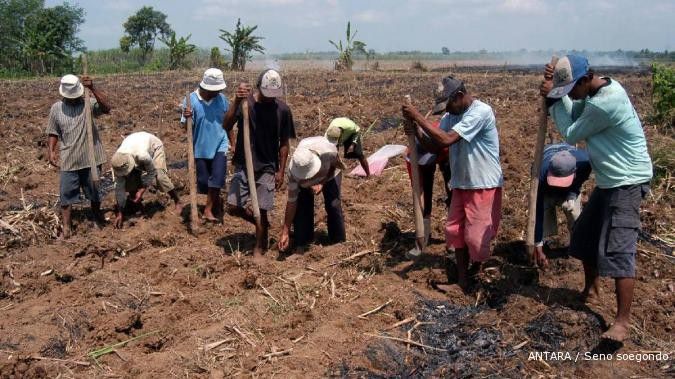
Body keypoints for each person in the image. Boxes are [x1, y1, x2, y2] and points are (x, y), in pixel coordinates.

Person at [540, 55, 653, 342]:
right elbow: (574, 112)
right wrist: (557, 91)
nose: (571, 96)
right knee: (585, 237)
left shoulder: (606, 102)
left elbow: (570, 131)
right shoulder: (594, 93)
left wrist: (553, 100)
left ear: (586, 77)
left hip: (627, 181)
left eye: (571, 89)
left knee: (618, 250)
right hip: (609, 181)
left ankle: (622, 323)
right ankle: (591, 289)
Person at [402, 76, 503, 291]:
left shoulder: (480, 112)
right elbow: (434, 146)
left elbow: (446, 139)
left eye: (448, 104)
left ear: (459, 96)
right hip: (461, 183)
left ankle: (479, 276)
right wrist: (416, 132)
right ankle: (462, 281)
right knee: (455, 232)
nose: (446, 110)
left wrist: (418, 116)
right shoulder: (452, 115)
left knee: (476, 239)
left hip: (482, 183)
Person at [224, 69, 296, 261]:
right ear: (259, 87)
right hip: (244, 163)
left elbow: (284, 144)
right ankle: (260, 225)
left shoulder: (282, 110)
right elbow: (226, 125)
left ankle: (259, 246)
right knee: (232, 206)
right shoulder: (247, 103)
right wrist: (237, 101)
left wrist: (280, 170)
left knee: (262, 210)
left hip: (267, 166)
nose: (270, 99)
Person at [46, 74, 111, 238]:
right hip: (69, 158)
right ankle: (67, 228)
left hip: (91, 157)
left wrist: (92, 88)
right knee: (66, 195)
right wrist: (51, 150)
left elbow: (107, 108)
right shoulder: (56, 109)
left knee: (94, 193)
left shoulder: (88, 104)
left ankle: (97, 219)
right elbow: (53, 132)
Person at [278, 136, 346, 255]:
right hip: (304, 182)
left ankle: (338, 243)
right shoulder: (294, 172)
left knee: (333, 205)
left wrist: (322, 182)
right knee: (302, 207)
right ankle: (303, 241)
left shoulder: (329, 152)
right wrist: (285, 231)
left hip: (329, 174)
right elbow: (292, 202)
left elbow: (335, 166)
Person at [181, 68, 229, 222]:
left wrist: (232, 143)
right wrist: (187, 117)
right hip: (200, 147)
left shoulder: (222, 100)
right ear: (206, 87)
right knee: (203, 182)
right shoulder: (191, 101)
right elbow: (185, 127)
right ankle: (216, 201)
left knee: (217, 177)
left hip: (220, 144)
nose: (218, 92)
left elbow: (228, 123)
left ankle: (208, 210)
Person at [534, 143, 591, 268]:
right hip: (546, 189)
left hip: (570, 187)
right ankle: (545, 242)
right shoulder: (539, 173)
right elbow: (536, 210)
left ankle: (576, 246)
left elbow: (579, 181)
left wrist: (572, 194)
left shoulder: (585, 164)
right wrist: (537, 245)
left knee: (575, 214)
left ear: (574, 172)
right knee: (544, 209)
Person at [110, 131, 182, 228]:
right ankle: (138, 206)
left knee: (160, 177)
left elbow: (152, 172)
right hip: (134, 144)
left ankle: (177, 200)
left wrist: (142, 190)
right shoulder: (117, 164)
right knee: (130, 181)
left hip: (154, 147)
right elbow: (119, 190)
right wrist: (120, 213)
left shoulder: (142, 155)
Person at [404, 120, 452, 250]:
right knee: (425, 190)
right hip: (427, 154)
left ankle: (454, 236)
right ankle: (425, 233)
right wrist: (422, 223)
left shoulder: (446, 143)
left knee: (452, 192)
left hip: (446, 155)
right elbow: (418, 192)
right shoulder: (412, 157)